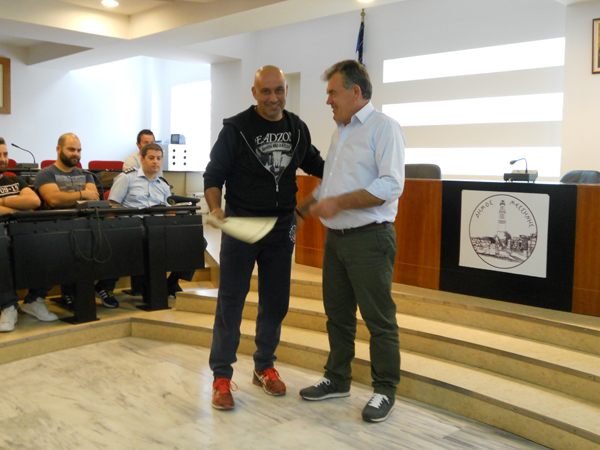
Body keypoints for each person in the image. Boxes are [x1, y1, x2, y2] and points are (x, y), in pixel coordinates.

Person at [204, 65, 324, 410]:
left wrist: (308, 205)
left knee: (276, 302)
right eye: (266, 91)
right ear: (254, 93)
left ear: (286, 90)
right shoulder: (236, 129)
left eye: (279, 90)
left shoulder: (297, 128)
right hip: (241, 226)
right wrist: (216, 208)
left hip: (281, 229)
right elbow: (213, 175)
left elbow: (320, 167)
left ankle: (264, 366)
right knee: (231, 302)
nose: (274, 98)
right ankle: (222, 376)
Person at [298, 60, 405, 423]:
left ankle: (385, 389)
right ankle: (338, 378)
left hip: (370, 238)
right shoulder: (340, 132)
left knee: (379, 320)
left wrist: (339, 203)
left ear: (355, 92)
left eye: (333, 92)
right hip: (337, 240)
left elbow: (390, 186)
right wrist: (303, 208)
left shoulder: (384, 128)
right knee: (338, 315)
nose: (328, 100)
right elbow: (330, 185)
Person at [34, 133, 119, 309]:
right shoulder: (46, 173)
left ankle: (102, 287)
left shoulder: (86, 174)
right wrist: (82, 194)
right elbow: (54, 199)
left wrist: (72, 197)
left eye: (79, 150)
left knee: (121, 238)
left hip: (86, 224)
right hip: (57, 226)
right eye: (71, 149)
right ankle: (63, 294)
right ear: (58, 149)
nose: (76, 154)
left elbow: (93, 197)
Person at [109, 143, 191, 297]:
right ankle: (150, 288)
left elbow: (169, 211)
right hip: (133, 226)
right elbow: (112, 206)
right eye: (151, 158)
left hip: (158, 225)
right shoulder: (126, 178)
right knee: (151, 237)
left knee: (194, 239)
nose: (155, 162)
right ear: (142, 159)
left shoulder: (164, 185)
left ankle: (171, 282)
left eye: (159, 158)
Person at [0, 137, 58, 331]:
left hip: (21, 230)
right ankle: (8, 306)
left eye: (5, 154)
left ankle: (34, 300)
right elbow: (24, 204)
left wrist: (3, 203)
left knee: (55, 239)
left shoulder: (14, 179)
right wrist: (18, 205)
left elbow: (33, 201)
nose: (3, 159)